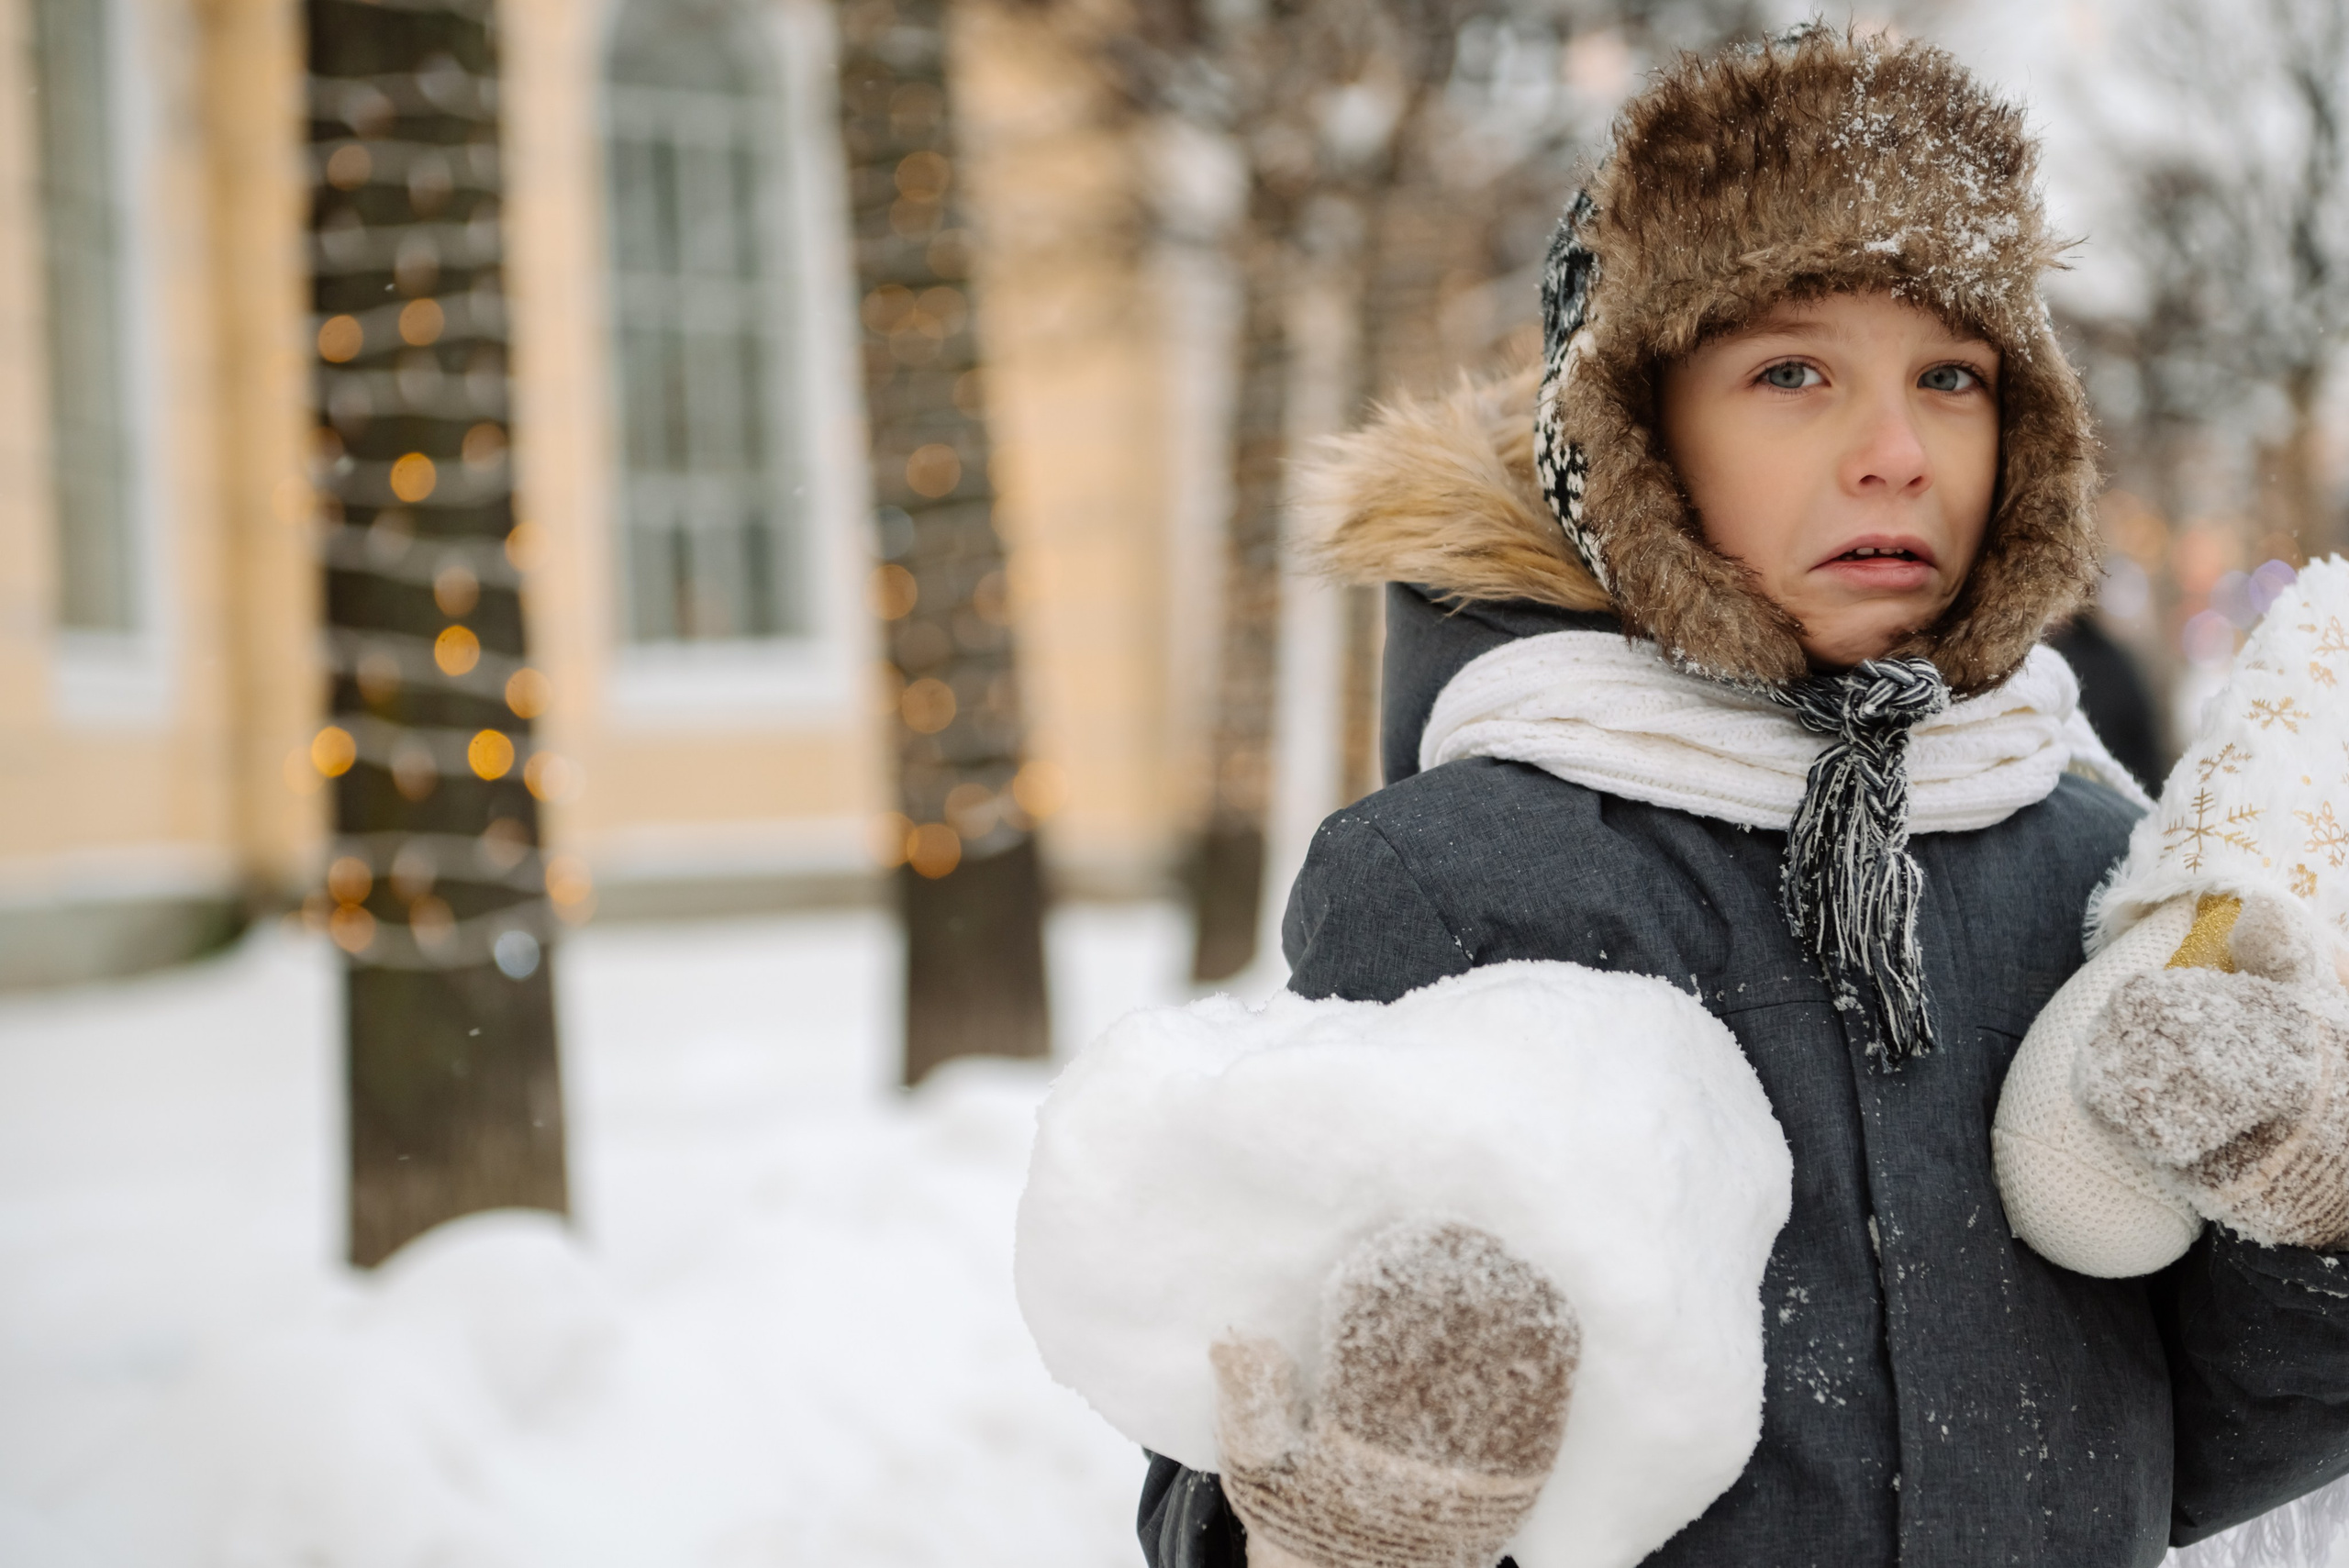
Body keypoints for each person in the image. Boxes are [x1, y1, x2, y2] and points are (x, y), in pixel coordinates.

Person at [1138, 28, 2349, 1568]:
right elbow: (1224, 1450)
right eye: (1792, 371)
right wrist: (1361, 1509)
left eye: (1953, 377)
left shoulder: (2092, 857)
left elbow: (2179, 1451)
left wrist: (2309, 1208)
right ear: (1639, 432)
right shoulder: (1459, 880)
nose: (1896, 453)